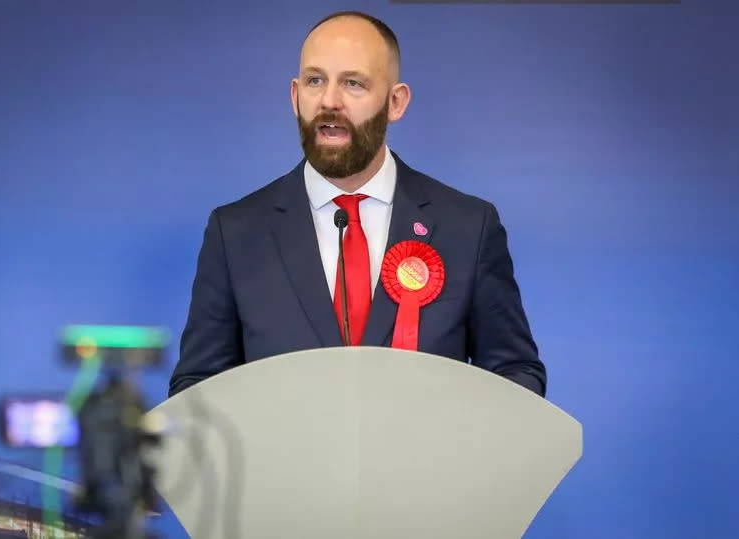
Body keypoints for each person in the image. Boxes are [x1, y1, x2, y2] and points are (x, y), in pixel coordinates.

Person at [168, 11, 546, 397]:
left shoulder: (469, 228)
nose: (330, 100)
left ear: (395, 103)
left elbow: (515, 373)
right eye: (316, 81)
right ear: (295, 96)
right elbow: (197, 390)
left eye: (353, 83)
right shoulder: (234, 233)